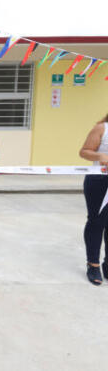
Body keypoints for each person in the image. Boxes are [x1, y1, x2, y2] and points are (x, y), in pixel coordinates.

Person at [79, 113, 108, 285]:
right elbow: (84, 152)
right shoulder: (102, 128)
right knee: (97, 222)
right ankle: (93, 264)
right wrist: (100, 156)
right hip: (99, 181)